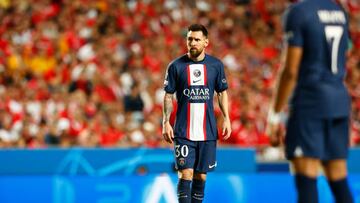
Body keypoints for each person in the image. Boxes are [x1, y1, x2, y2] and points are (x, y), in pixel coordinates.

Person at [267, 0, 354, 203]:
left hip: (310, 102)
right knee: (337, 174)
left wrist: (274, 114)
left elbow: (290, 71)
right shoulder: (339, 11)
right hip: (339, 99)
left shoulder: (299, 12)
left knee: (306, 174)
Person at [162, 24, 231, 203]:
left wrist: (227, 118)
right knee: (185, 173)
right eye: (190, 39)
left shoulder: (215, 65)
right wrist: (165, 121)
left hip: (207, 130)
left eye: (197, 39)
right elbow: (168, 95)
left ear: (206, 42)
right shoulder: (176, 66)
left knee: (201, 176)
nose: (192, 43)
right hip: (184, 131)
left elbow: (222, 92)